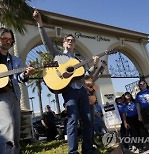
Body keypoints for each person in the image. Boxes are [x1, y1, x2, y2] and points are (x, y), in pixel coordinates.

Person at [33, 9, 99, 154]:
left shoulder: (79, 60)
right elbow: (47, 44)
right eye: (67, 40)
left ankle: (88, 150)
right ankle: (73, 152)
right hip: (69, 92)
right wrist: (40, 24)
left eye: (72, 41)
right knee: (72, 120)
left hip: (81, 90)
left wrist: (94, 66)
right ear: (64, 44)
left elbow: (87, 75)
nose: (70, 42)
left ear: (74, 44)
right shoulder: (59, 57)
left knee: (88, 121)